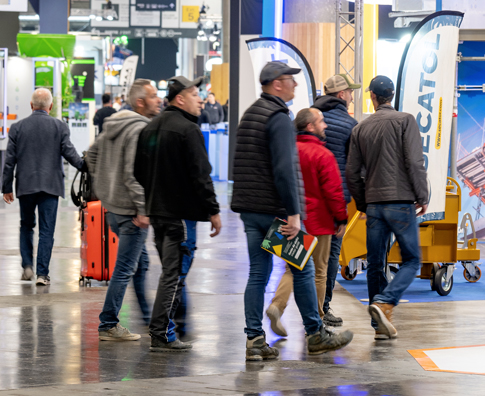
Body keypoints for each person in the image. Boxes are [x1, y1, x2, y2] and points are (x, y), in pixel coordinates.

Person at [230, 61, 354, 360]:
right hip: (276, 211)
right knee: (304, 268)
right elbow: (285, 170)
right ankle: (315, 333)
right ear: (276, 84)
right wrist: (294, 213)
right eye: (290, 80)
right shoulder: (279, 118)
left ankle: (254, 339)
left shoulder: (250, 114)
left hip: (250, 209)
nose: (295, 86)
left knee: (258, 274)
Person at [134, 76, 222, 352]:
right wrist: (213, 210)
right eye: (195, 94)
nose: (200, 100)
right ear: (180, 99)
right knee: (175, 274)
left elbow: (138, 170)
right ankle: (161, 332)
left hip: (158, 212)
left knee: (169, 272)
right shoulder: (187, 130)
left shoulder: (150, 128)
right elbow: (201, 174)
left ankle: (164, 329)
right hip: (181, 215)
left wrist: (156, 193)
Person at [346, 76, 428, 340]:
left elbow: (351, 172)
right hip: (401, 202)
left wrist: (362, 202)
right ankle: (385, 302)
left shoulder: (360, 128)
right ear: (392, 95)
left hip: (373, 205)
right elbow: (415, 163)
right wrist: (422, 195)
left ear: (372, 96)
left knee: (375, 264)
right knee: (412, 259)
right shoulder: (406, 121)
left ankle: (379, 326)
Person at [86, 79, 161, 341]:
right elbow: (132, 175)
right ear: (140, 101)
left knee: (140, 264)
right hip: (131, 212)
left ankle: (149, 318)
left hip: (113, 208)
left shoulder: (114, 124)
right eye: (153, 96)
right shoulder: (139, 129)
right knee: (126, 268)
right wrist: (142, 208)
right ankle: (108, 323)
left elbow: (91, 155)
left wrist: (105, 187)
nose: (159, 100)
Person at [266, 108, 348, 336]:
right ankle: (318, 321)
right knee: (319, 271)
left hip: (288, 219)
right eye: (322, 122)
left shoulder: (287, 150)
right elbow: (333, 191)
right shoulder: (323, 154)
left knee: (292, 268)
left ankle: (276, 306)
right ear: (310, 126)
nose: (326, 126)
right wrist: (341, 217)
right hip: (319, 221)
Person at [1, 88, 84, 286]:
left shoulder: (17, 127)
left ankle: (27, 266)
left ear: (31, 106)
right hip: (50, 187)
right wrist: (86, 165)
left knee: (26, 226)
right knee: (47, 231)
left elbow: (9, 161)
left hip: (26, 186)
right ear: (51, 106)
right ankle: (42, 274)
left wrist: (6, 187)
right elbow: (70, 154)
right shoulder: (59, 126)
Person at [313, 73, 361, 328]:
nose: (352, 96)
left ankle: (294, 306)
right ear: (341, 95)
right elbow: (352, 169)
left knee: (301, 257)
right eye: (350, 92)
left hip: (306, 199)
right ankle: (323, 307)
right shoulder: (350, 124)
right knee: (330, 256)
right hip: (335, 201)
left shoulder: (309, 117)